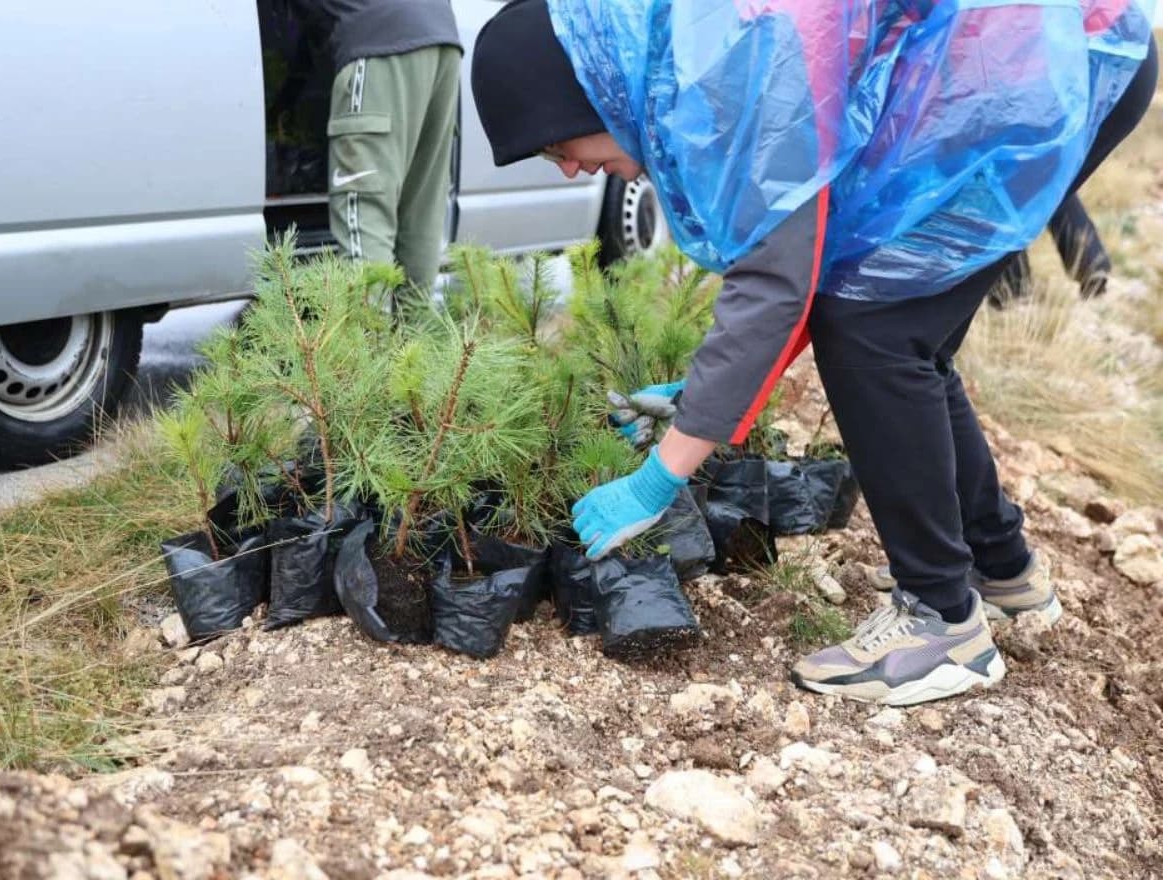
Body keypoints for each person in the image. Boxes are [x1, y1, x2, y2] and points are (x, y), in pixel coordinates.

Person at [471, 0, 1157, 705]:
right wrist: (703, 398)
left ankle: (942, 624)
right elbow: (809, 266)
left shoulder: (734, 68)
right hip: (1055, 51)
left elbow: (778, 282)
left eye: (558, 148)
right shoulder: (690, 51)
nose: (569, 172)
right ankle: (1002, 571)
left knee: (878, 335)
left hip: (1051, 63)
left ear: (590, 89)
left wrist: (660, 476)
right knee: (895, 333)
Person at [296, 0, 462, 304]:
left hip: (379, 39)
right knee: (421, 211)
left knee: (366, 216)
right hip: (442, 37)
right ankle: (417, 346)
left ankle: (368, 346)